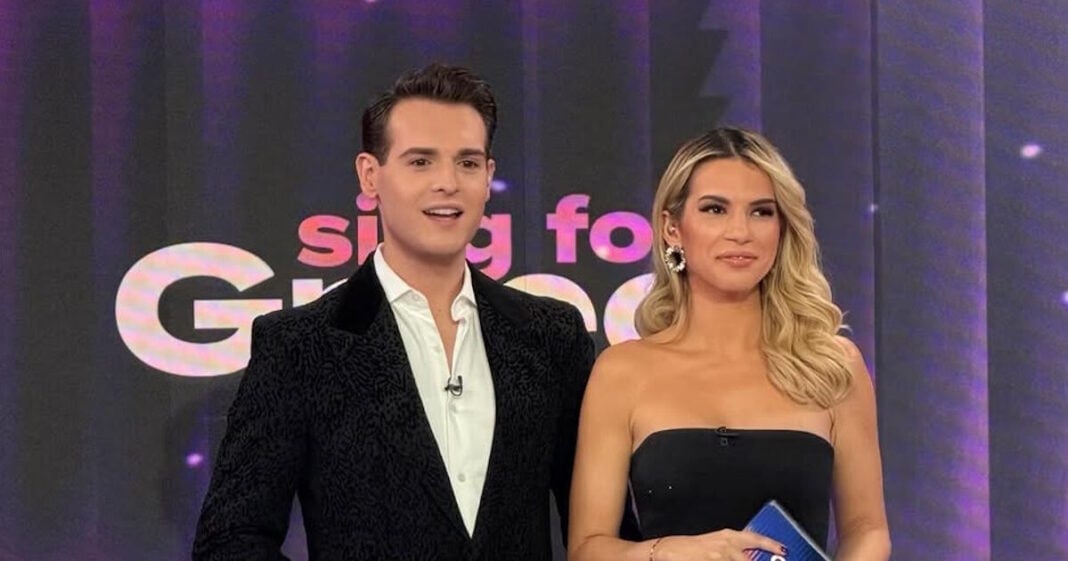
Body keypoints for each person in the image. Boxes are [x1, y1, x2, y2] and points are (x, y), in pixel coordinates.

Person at [193, 63, 595, 560]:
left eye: (468, 163)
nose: (448, 183)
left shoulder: (551, 336)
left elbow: (602, 532)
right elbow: (230, 541)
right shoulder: (298, 346)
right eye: (421, 162)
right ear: (370, 175)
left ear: (489, 177)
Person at [567, 127, 890, 561]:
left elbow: (868, 529)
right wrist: (671, 552)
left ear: (782, 227)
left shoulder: (832, 365)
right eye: (715, 209)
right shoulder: (622, 372)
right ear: (672, 228)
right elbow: (587, 548)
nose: (740, 232)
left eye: (761, 212)